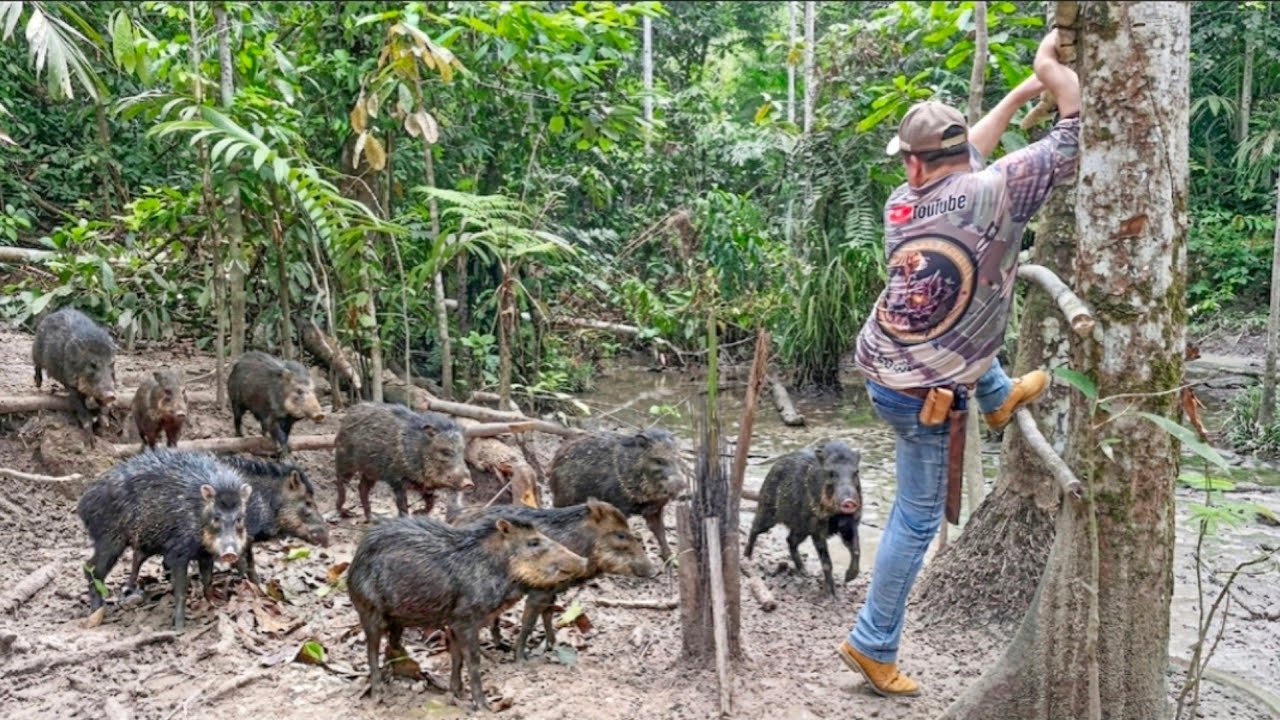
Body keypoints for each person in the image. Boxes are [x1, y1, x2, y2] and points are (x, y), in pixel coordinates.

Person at [836, 30, 1081, 697]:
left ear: (915, 165)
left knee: (972, 304)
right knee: (915, 521)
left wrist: (1021, 90)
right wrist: (1050, 76)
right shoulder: (997, 192)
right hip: (925, 395)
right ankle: (872, 642)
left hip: (885, 363)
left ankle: (998, 395)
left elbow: (967, 153)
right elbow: (1071, 136)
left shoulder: (900, 204)